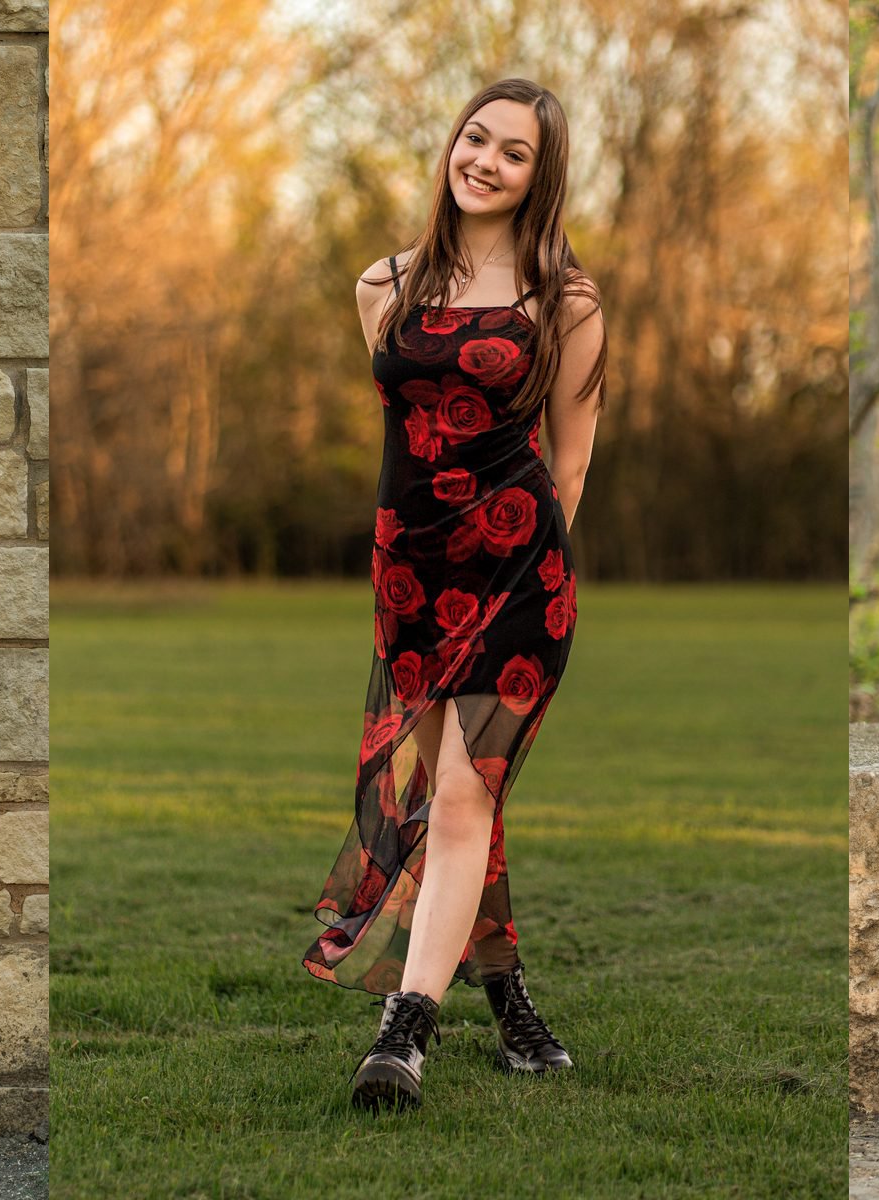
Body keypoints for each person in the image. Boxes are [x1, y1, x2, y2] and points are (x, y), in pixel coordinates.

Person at [301, 78, 608, 1112]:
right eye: (475, 138)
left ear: (540, 176)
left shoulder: (566, 301)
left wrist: (527, 567)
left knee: (470, 793)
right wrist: (413, 562)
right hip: (410, 574)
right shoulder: (380, 285)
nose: (485, 160)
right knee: (455, 805)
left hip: (520, 577)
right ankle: (512, 1001)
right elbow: (409, 431)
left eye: (513, 152)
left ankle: (404, 1034)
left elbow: (568, 468)